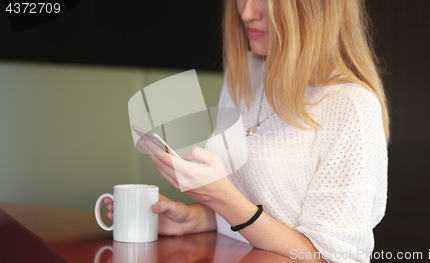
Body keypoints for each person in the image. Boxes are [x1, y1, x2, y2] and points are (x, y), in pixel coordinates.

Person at [105, 0, 390, 262]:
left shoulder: (350, 106)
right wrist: (196, 217)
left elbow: (327, 256)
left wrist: (222, 198)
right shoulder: (246, 73)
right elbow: (267, 203)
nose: (245, 12)